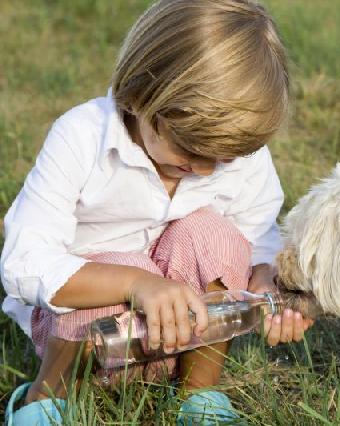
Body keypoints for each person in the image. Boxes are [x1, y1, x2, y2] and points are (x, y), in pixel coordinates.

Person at [1, 0, 312, 424]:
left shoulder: (236, 154)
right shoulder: (82, 137)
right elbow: (23, 262)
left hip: (186, 335)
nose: (206, 169)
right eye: (190, 150)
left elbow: (259, 238)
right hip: (87, 339)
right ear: (138, 95)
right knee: (117, 265)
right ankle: (44, 400)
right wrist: (136, 282)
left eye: (224, 158)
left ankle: (198, 396)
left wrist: (268, 286)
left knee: (214, 234)